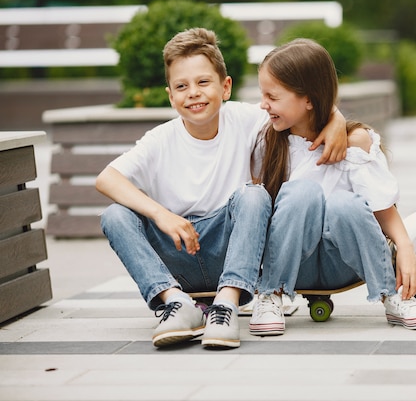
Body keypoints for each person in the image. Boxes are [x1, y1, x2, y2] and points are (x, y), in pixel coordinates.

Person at [95, 28, 347, 350]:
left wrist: (336, 119)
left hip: (232, 252)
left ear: (225, 87)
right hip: (179, 254)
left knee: (253, 195)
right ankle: (175, 303)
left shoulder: (245, 119)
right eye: (181, 86)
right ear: (171, 96)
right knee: (115, 215)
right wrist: (162, 216)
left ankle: (226, 305)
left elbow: (296, 107)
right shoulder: (160, 140)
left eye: (203, 82)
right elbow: (106, 179)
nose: (193, 93)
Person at [249, 38, 416, 336]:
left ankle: (394, 297)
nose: (263, 104)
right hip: (293, 265)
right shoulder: (268, 138)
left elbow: (381, 207)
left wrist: (405, 248)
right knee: (302, 193)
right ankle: (270, 295)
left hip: (344, 262)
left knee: (344, 203)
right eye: (263, 95)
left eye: (272, 96)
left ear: (308, 99)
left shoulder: (356, 142)